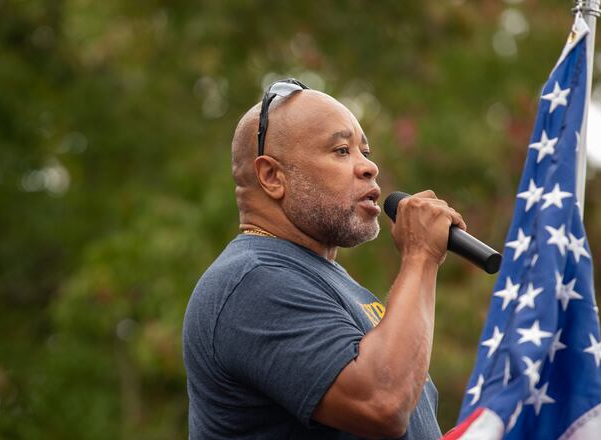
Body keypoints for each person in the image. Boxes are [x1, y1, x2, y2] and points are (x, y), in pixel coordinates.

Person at [182, 79, 467, 439]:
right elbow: (383, 402)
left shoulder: (325, 279)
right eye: (342, 151)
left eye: (366, 151)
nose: (369, 167)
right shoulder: (252, 282)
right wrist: (421, 255)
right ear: (272, 176)